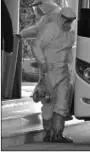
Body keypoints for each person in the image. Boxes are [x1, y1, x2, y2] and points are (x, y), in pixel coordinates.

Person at [35, 7, 76, 143]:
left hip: (64, 71)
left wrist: (73, 67)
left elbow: (69, 51)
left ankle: (57, 134)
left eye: (71, 21)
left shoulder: (70, 33)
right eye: (67, 21)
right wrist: (41, 61)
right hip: (49, 71)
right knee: (48, 102)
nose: (68, 24)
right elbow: (37, 46)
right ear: (61, 18)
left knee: (62, 103)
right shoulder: (50, 29)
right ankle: (48, 133)